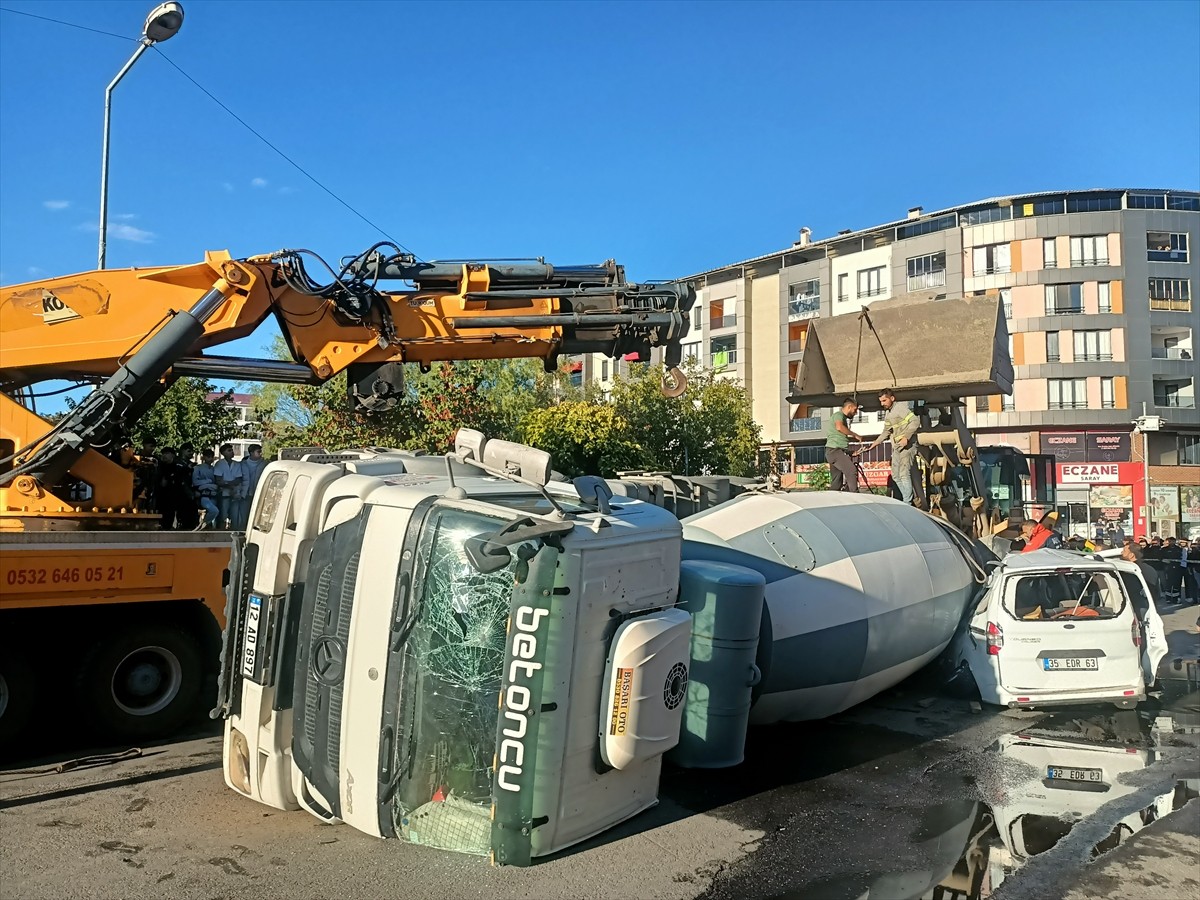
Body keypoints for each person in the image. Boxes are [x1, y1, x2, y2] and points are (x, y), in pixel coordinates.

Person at [858, 389, 920, 506]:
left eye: (884, 400)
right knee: (896, 476)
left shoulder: (900, 409)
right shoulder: (888, 413)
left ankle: (907, 502)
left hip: (907, 446)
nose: (882, 404)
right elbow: (886, 432)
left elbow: (915, 421)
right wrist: (874, 445)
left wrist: (906, 437)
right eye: (881, 401)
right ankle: (907, 499)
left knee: (904, 474)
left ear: (892, 398)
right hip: (897, 447)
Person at [824, 398, 863, 493]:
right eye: (855, 410)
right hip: (834, 451)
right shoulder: (839, 415)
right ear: (849, 407)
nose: (856, 413)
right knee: (851, 471)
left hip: (833, 452)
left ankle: (833, 497)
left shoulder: (842, 417)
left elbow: (838, 442)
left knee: (837, 482)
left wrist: (850, 452)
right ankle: (855, 495)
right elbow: (839, 427)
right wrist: (854, 435)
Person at [154, 447, 189, 530]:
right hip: (161, 495)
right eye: (163, 453)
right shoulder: (159, 466)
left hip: (175, 495)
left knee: (172, 513)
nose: (164, 456)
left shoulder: (178, 466)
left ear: (173, 455)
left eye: (167, 453)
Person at [213, 443, 244, 529]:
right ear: (223, 453)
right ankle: (221, 532)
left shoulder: (237, 464)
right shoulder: (219, 464)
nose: (232, 452)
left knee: (235, 516)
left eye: (232, 450)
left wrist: (226, 483)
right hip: (223, 494)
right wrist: (229, 484)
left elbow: (238, 479)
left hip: (235, 493)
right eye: (229, 450)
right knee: (223, 515)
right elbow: (218, 480)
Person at [1122, 541, 1161, 608]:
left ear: (1131, 555)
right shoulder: (1149, 569)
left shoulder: (1131, 570)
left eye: (1124, 551)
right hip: (1149, 607)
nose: (1121, 553)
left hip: (1138, 607)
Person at [237, 444, 268, 529]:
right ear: (251, 453)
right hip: (245, 494)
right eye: (258, 452)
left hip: (259, 494)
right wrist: (238, 492)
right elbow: (238, 480)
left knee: (257, 518)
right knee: (244, 517)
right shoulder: (242, 464)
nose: (260, 453)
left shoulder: (265, 464)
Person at [192, 449, 220, 528]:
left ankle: (205, 526)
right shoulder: (197, 468)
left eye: (211, 457)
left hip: (213, 494)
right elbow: (195, 482)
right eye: (208, 457)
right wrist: (208, 482)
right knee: (214, 511)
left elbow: (217, 482)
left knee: (214, 514)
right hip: (203, 495)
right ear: (203, 457)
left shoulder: (214, 469)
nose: (210, 459)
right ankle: (203, 524)